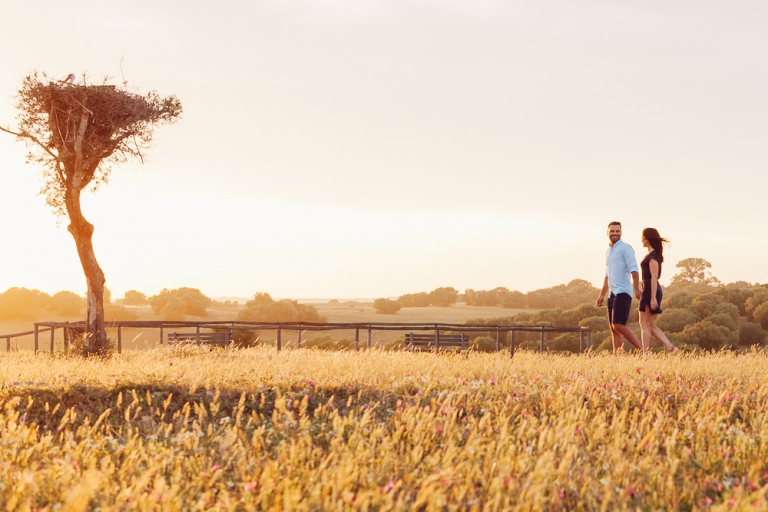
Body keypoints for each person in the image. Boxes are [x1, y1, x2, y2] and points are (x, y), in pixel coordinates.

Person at [595, 221, 643, 353]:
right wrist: (602, 294)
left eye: (617, 231)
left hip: (623, 291)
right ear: (607, 232)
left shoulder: (625, 248)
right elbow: (607, 275)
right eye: (612, 231)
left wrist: (636, 288)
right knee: (613, 328)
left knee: (618, 325)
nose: (615, 233)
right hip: (612, 293)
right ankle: (618, 358)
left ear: (621, 232)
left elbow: (634, 269)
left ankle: (643, 351)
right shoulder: (608, 251)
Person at [638, 228, 678, 353]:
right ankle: (671, 348)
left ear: (647, 239)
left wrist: (652, 297)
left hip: (651, 289)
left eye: (643, 237)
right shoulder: (652, 254)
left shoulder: (653, 255)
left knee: (644, 324)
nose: (642, 240)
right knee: (649, 325)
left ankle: (646, 354)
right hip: (649, 288)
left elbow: (654, 276)